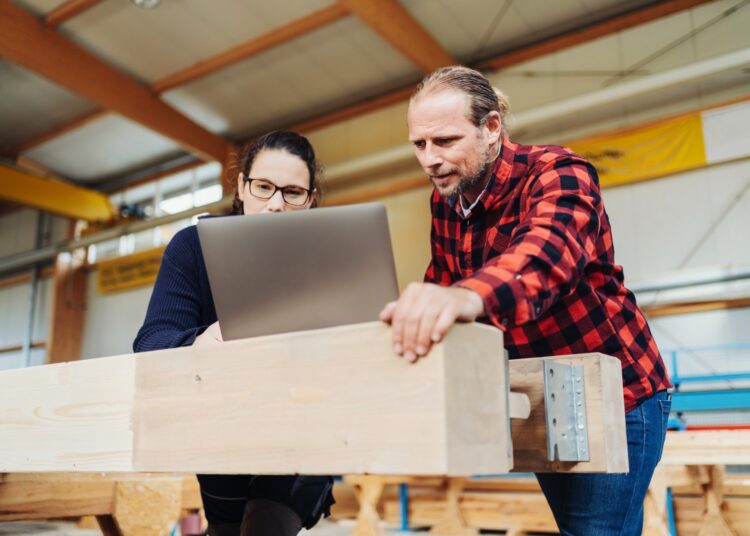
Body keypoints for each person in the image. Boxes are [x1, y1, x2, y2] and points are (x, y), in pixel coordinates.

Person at [379, 66, 672, 536]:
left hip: (619, 394)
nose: (430, 160)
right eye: (420, 145)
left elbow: (547, 257)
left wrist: (462, 297)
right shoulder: (447, 202)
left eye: (446, 141)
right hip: (548, 395)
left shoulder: (559, 173)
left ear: (491, 128)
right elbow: (442, 281)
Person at [134, 130, 334, 536]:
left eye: (293, 193)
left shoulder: (334, 259)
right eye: (263, 187)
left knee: (265, 525)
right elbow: (150, 343)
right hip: (223, 434)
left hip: (301, 434)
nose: (276, 204)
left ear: (310, 199)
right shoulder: (193, 248)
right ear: (242, 187)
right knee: (225, 529)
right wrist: (198, 342)